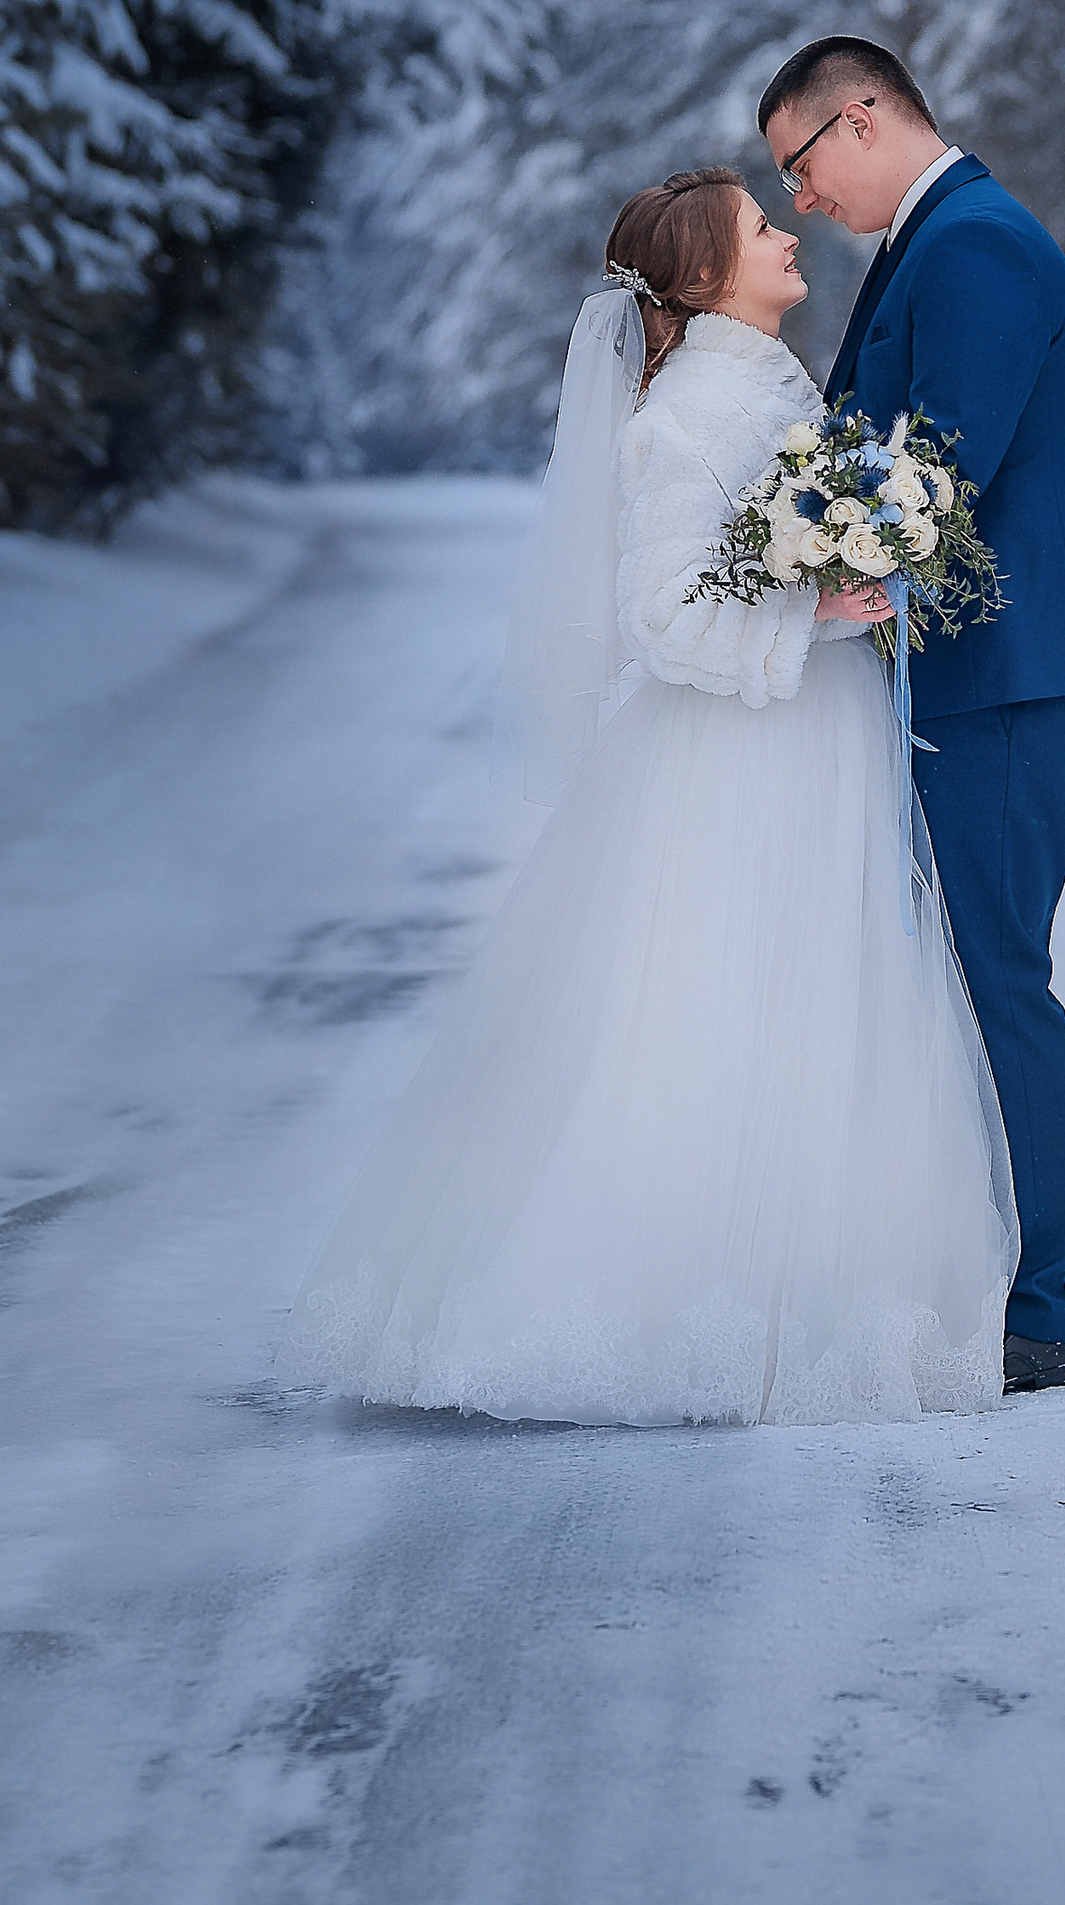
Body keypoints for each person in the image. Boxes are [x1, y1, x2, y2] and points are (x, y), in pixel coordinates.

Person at [280, 166, 1016, 1426]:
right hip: (742, 758)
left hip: (810, 741)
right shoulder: (688, 415)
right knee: (719, 1011)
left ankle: (803, 1294)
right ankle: (670, 1307)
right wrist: (817, 613)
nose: (787, 236)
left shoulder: (768, 386)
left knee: (814, 1008)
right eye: (759, 228)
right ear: (702, 278)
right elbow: (663, 616)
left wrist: (849, 584)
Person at [761, 38, 1065, 1393]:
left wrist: (775, 567)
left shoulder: (975, 244)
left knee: (994, 976)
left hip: (1010, 668)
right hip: (983, 665)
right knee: (963, 971)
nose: (801, 199)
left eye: (800, 165)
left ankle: (1040, 1311)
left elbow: (932, 477)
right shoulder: (935, 238)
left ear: (862, 119)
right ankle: (987, 1275)